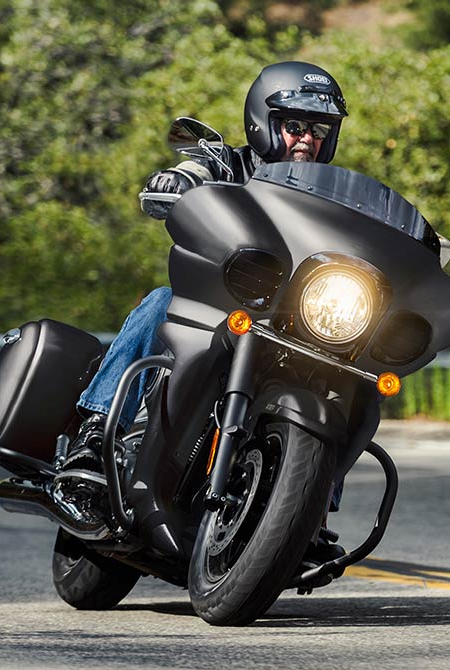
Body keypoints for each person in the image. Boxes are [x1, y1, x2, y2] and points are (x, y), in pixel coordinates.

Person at [61, 61, 348, 473]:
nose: (307, 139)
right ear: (263, 123)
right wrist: (177, 180)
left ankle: (318, 495)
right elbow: (194, 169)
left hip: (294, 325)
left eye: (319, 130)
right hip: (216, 305)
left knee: (346, 378)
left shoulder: (337, 200)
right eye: (295, 126)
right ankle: (96, 430)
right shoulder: (227, 164)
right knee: (160, 303)